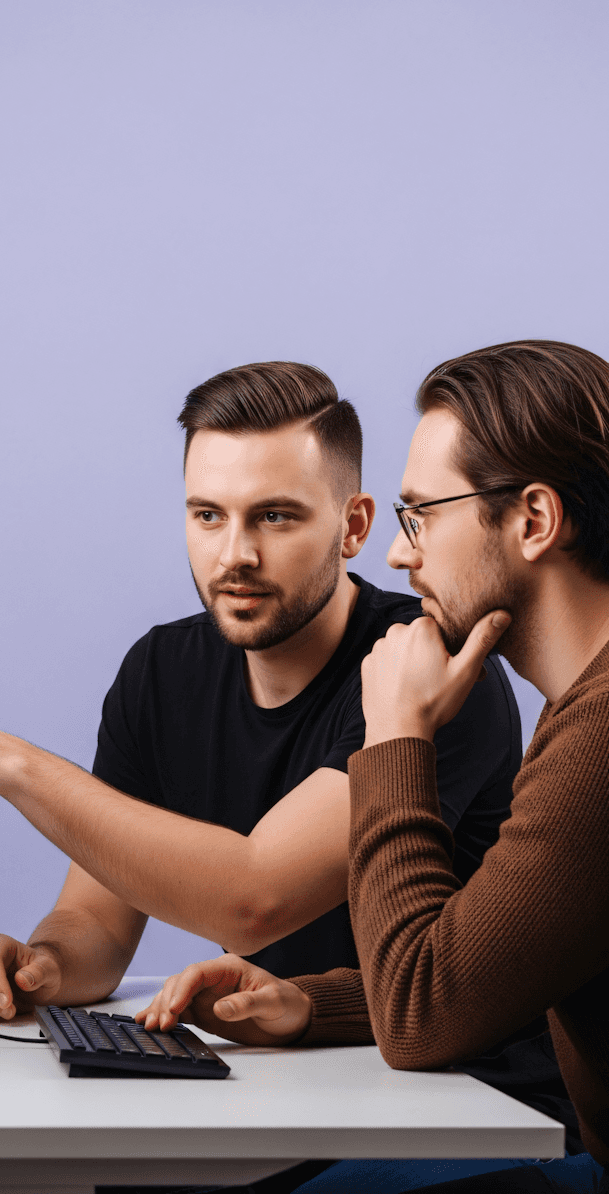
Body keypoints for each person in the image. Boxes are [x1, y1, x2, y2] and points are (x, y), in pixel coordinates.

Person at [0, 361, 571, 1177]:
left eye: (275, 517)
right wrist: (42, 969)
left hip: (458, 1105)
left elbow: (254, 898)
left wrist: (7, 764)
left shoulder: (423, 667)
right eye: (208, 515)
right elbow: (99, 923)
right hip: (296, 1074)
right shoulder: (159, 672)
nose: (234, 554)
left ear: (353, 527)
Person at [141, 341, 609, 1194]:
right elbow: (492, 966)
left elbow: (424, 1017)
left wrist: (393, 735)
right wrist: (310, 1005)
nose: (399, 556)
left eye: (422, 515)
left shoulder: (601, 739)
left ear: (534, 521)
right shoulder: (581, 715)